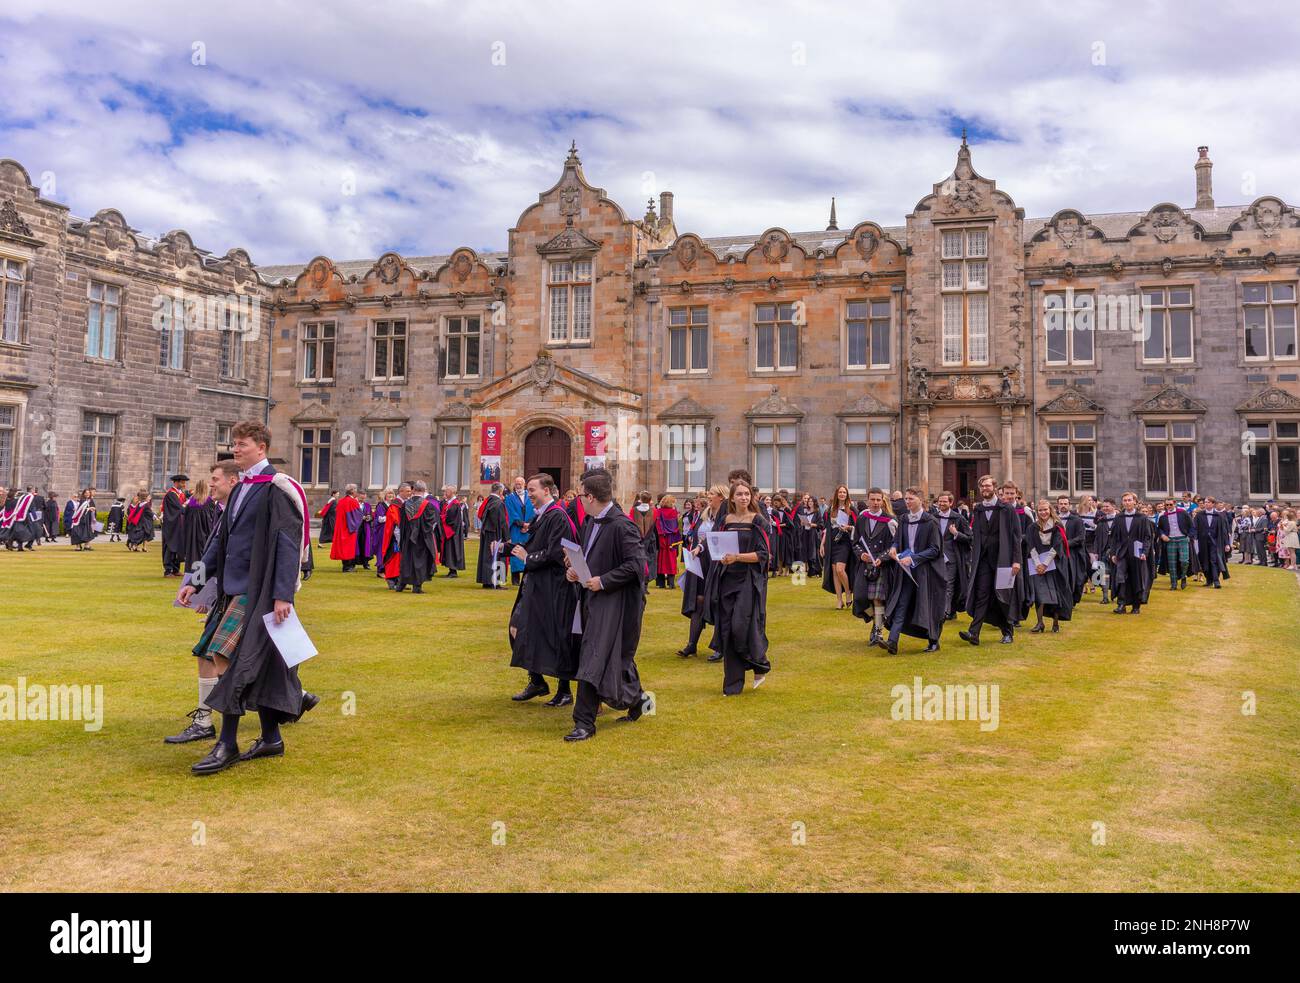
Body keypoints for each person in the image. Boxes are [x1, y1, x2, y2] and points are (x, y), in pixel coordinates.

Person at [177, 420, 312, 775]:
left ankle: (227, 743)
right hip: (232, 588)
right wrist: (196, 579)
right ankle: (270, 738)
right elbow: (220, 541)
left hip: (262, 590)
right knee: (262, 666)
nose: (235, 449)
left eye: (241, 444)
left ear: (261, 447)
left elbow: (286, 542)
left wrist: (283, 594)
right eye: (234, 444)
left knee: (226, 657)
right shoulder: (239, 489)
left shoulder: (276, 488)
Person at [563, 468, 651, 741]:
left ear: (589, 497)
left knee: (594, 655)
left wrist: (604, 581)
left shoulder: (623, 525)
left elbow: (637, 566)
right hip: (591, 597)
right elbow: (592, 557)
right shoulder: (590, 523)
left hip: (616, 602)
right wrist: (577, 570)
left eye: (580, 496)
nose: (579, 501)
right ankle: (638, 701)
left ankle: (584, 723)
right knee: (613, 656)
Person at [165, 460, 240, 745]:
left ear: (232, 481)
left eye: (215, 479)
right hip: (223, 593)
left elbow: (224, 556)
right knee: (211, 654)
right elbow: (210, 555)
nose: (210, 484)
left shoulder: (238, 511)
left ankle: (206, 722)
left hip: (239, 595)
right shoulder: (221, 510)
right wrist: (196, 589)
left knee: (220, 656)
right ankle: (204, 719)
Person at [508, 473, 578, 707]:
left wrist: (529, 558)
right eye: (527, 490)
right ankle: (537, 680)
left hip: (554, 585)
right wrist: (508, 548)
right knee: (518, 628)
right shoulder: (543, 516)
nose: (529, 495)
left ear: (546, 491)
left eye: (532, 490)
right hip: (538, 583)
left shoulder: (557, 515)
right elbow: (535, 545)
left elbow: (557, 552)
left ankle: (564, 690)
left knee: (557, 635)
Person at [704, 479, 771, 695]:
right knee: (726, 629)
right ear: (732, 497)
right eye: (739, 494)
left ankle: (759, 664)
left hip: (748, 582)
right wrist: (721, 557)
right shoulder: (725, 520)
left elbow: (763, 555)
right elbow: (715, 545)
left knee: (740, 627)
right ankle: (732, 684)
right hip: (726, 580)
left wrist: (737, 557)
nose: (744, 497)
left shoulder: (758, 521)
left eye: (747, 494)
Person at [959, 475, 1022, 647]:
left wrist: (1016, 560)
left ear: (994, 487)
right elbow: (976, 536)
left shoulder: (1007, 509)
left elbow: (1016, 537)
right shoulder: (978, 510)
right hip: (984, 560)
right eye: (982, 486)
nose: (985, 489)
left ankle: (1008, 632)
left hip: (1004, 559)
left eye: (988, 486)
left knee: (1002, 596)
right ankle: (974, 632)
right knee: (982, 594)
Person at [882, 487, 946, 654]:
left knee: (927, 605)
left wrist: (914, 558)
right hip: (905, 570)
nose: (907, 502)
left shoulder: (931, 521)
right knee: (902, 603)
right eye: (906, 499)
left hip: (926, 571)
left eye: (911, 499)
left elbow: (935, 549)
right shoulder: (903, 519)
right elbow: (897, 540)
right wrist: (894, 548)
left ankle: (933, 641)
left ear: (920, 500)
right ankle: (892, 642)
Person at [679, 485, 726, 660]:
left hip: (717, 562)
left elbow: (715, 538)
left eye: (712, 494)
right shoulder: (705, 514)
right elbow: (699, 535)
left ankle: (719, 646)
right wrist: (696, 547)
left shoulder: (725, 516)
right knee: (698, 601)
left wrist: (701, 546)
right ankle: (692, 644)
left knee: (717, 601)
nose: (708, 496)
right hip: (700, 561)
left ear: (721, 497)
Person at [852, 488, 898, 648]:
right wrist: (861, 554)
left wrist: (882, 558)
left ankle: (877, 630)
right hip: (864, 565)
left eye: (879, 500)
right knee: (860, 598)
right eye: (873, 499)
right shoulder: (862, 518)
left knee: (878, 600)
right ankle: (877, 620)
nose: (876, 503)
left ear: (883, 500)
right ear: (868, 499)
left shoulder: (890, 521)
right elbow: (855, 542)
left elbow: (895, 545)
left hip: (881, 566)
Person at [1027, 500, 1074, 633]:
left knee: (1056, 592)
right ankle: (1040, 622)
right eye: (1040, 510)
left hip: (1056, 562)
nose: (1043, 512)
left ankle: (1055, 622)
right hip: (1037, 564)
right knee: (1039, 593)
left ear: (1050, 510)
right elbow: (1031, 546)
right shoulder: (1033, 527)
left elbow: (1057, 547)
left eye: (1045, 509)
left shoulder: (1057, 526)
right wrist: (1038, 564)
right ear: (1037, 511)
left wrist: (1045, 564)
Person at [1108, 491, 1155, 614]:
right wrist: (1113, 553)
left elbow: (1147, 537)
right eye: (1125, 500)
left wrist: (1145, 551)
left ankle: (1136, 605)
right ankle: (1121, 604)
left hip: (1137, 553)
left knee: (1137, 578)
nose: (1127, 502)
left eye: (1129, 500)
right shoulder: (1118, 518)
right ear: (1122, 503)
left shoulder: (1142, 518)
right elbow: (1113, 537)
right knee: (1121, 577)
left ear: (1135, 501)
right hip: (1122, 552)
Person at [932, 490, 970, 620]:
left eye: (944, 501)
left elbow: (970, 537)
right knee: (936, 584)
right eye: (940, 501)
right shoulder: (933, 517)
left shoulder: (958, 518)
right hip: (935, 556)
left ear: (951, 502)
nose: (941, 503)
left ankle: (946, 612)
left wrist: (956, 534)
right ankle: (939, 610)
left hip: (952, 557)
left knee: (948, 585)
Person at [821, 484, 858, 610]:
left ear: (847, 494)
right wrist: (822, 544)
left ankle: (848, 592)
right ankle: (839, 600)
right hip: (832, 541)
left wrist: (848, 527)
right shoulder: (830, 509)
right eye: (840, 492)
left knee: (840, 570)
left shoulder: (851, 509)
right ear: (837, 494)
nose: (842, 494)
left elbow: (858, 527)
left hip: (845, 541)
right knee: (834, 572)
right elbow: (827, 528)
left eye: (844, 492)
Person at [397, 481, 438, 593]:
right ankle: (417, 587)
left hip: (407, 538)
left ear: (413, 490)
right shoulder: (427, 505)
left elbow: (402, 524)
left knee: (407, 560)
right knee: (420, 561)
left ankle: (401, 585)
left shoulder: (405, 504)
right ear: (424, 490)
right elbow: (430, 525)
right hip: (421, 539)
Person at [1055, 495, 1088, 604]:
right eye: (1061, 504)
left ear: (1069, 505)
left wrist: (1066, 544)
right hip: (1056, 554)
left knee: (1074, 578)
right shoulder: (1054, 520)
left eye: (1065, 504)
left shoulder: (1077, 520)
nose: (1063, 506)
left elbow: (1081, 537)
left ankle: (1071, 600)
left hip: (1073, 554)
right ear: (1057, 505)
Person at [476, 482, 510, 589]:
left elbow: (481, 515)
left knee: (487, 557)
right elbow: (502, 522)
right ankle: (496, 582)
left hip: (487, 531)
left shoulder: (488, 501)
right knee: (497, 557)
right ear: (500, 491)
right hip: (496, 533)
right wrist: (507, 537)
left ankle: (487, 581)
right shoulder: (498, 503)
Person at [182, 480, 219, 573]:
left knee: (192, 553)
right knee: (203, 552)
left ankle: (192, 573)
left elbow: (185, 520)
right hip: (204, 533)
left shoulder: (191, 503)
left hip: (191, 534)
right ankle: (201, 575)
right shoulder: (209, 502)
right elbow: (211, 520)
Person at [1156, 497, 1193, 590]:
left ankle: (1183, 576)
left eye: (1170, 504)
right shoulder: (1163, 516)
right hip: (1170, 540)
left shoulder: (1182, 512)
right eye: (1167, 505)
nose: (1168, 506)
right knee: (1171, 563)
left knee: (1184, 561)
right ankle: (1173, 583)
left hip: (1183, 539)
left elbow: (1192, 525)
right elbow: (1159, 529)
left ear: (1175, 504)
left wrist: (1189, 536)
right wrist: (1162, 535)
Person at [504, 475, 534, 587]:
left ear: (524, 484)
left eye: (520, 483)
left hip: (529, 529)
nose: (518, 485)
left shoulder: (530, 496)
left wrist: (528, 524)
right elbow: (511, 512)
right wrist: (521, 524)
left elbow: (534, 510)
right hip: (516, 529)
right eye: (516, 483)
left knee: (528, 550)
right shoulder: (510, 498)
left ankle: (527, 579)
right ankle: (515, 579)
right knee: (515, 552)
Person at [1192, 496, 1226, 589]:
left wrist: (1226, 544)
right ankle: (1209, 580)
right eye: (1205, 502)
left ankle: (1216, 581)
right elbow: (1195, 528)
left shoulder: (1219, 516)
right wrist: (1194, 537)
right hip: (1202, 542)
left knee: (1214, 561)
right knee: (1204, 561)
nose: (1206, 504)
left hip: (1215, 542)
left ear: (1213, 504)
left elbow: (1223, 531)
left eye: (1208, 502)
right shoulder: (1199, 515)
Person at [329, 484, 365, 573]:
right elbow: (358, 515)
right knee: (348, 548)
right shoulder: (352, 502)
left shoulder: (341, 501)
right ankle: (348, 567)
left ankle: (346, 566)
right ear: (352, 491)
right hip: (349, 528)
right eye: (356, 490)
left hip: (341, 527)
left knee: (343, 548)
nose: (357, 492)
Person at [160, 474, 189, 577]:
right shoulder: (171, 494)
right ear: (176, 482)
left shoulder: (180, 494)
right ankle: (168, 570)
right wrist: (187, 506)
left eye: (184, 482)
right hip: (171, 524)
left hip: (178, 524)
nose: (184, 484)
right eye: (182, 482)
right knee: (170, 546)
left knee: (178, 546)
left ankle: (175, 569)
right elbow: (179, 508)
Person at [439, 485, 467, 577]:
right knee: (449, 551)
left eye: (446, 491)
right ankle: (451, 570)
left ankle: (453, 571)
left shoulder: (455, 504)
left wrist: (442, 518)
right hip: (450, 531)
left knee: (453, 550)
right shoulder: (450, 503)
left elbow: (451, 519)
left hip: (453, 532)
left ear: (451, 492)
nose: (445, 493)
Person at [380, 487, 404, 588]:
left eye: (392, 495)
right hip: (393, 538)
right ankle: (391, 581)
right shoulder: (393, 507)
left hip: (396, 536)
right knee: (392, 558)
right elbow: (395, 522)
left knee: (398, 559)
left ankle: (398, 581)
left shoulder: (397, 505)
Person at [654, 493, 680, 588]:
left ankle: (661, 583)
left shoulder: (658, 511)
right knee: (671, 560)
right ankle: (671, 583)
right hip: (671, 538)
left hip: (661, 537)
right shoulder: (673, 512)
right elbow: (675, 527)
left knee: (660, 560)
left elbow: (657, 525)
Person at [632, 491, 657, 583]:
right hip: (650, 538)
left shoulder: (633, 510)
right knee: (649, 559)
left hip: (637, 538)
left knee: (639, 558)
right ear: (650, 500)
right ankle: (646, 582)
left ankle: (640, 579)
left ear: (640, 499)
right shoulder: (654, 511)